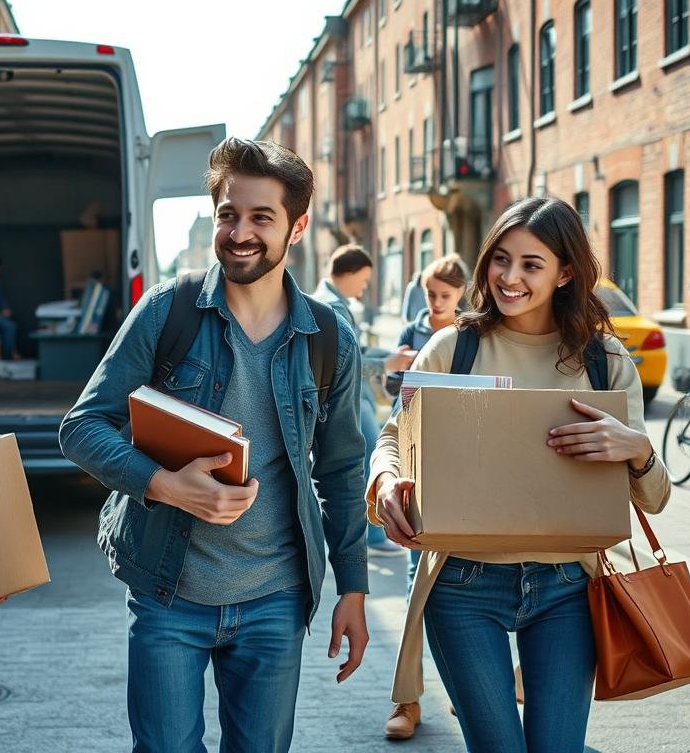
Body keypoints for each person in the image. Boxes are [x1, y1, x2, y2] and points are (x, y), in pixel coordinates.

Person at [59, 137, 370, 752]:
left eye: (262, 217)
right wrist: (163, 485)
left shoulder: (329, 337)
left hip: (276, 598)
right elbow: (83, 426)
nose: (240, 232)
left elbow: (341, 469)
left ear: (297, 226)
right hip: (168, 593)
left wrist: (353, 589)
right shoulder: (166, 310)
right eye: (229, 214)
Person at [370, 197, 672, 751]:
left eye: (531, 264)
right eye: (500, 259)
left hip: (568, 587)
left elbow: (654, 499)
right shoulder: (453, 347)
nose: (509, 278)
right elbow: (394, 436)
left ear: (566, 273)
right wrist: (387, 481)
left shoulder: (603, 359)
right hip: (462, 583)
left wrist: (638, 450)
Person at [380, 251, 468, 740]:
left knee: (469, 591)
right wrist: (398, 373)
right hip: (418, 468)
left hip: (463, 472)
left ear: (461, 294)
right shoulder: (414, 331)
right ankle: (407, 699)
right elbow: (395, 399)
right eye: (429, 294)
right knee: (417, 586)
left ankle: (468, 689)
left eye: (443, 295)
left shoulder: (476, 335)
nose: (434, 302)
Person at [312, 244, 406, 557]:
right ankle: (374, 535)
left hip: (349, 397)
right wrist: (386, 364)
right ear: (350, 273)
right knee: (371, 458)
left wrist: (388, 357)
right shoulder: (333, 307)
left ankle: (369, 535)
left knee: (357, 463)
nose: (364, 287)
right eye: (363, 280)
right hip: (348, 398)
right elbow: (345, 362)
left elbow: (354, 351)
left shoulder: (331, 302)